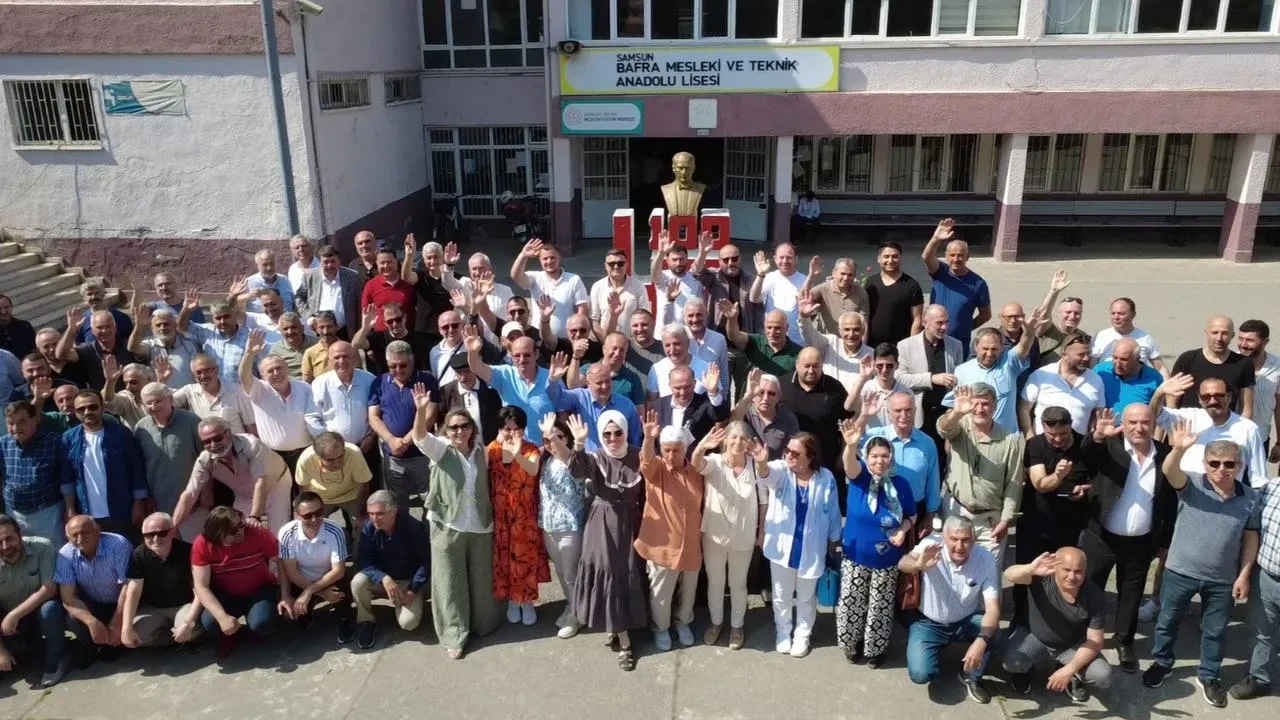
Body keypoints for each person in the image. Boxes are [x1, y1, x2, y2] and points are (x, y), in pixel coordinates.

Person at [1143, 424, 1261, 709]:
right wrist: (1179, 448)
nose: (1222, 469)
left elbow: (1250, 538)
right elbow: (1169, 471)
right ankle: (1162, 662)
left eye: (1229, 464)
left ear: (1240, 465)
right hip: (1180, 572)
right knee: (1167, 622)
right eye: (1214, 463)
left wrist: (1243, 575)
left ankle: (1209, 675)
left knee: (1215, 631)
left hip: (1222, 579)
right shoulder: (1192, 485)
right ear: (1205, 464)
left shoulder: (1250, 498)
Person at [1079, 404, 1174, 674]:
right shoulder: (1109, 445)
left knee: (1131, 595)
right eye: (1132, 422)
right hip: (1102, 536)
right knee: (1090, 589)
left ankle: (1124, 642)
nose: (1138, 428)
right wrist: (1097, 436)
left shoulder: (1165, 454)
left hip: (1141, 541)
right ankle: (1082, 637)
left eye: (1145, 422)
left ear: (1153, 424)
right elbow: (1086, 455)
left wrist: (1165, 541)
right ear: (1124, 423)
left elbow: (1169, 502)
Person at [411, 386, 502, 659]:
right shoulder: (441, 449)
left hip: (480, 525)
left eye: (464, 426)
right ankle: (455, 635)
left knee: (481, 579)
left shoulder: (482, 451)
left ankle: (483, 625)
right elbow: (419, 437)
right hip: (447, 525)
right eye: (453, 427)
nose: (459, 431)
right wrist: (420, 411)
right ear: (446, 430)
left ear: (472, 428)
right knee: (450, 583)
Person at [570, 409, 648, 670]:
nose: (613, 438)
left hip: (631, 522)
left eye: (618, 433)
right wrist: (578, 443)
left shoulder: (638, 454)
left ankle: (618, 626)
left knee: (628, 573)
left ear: (626, 432)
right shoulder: (596, 457)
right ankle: (624, 643)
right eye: (607, 434)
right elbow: (577, 471)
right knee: (609, 574)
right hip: (602, 524)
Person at [837, 421, 916, 668]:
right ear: (867, 457)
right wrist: (851, 445)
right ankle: (852, 643)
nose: (879, 461)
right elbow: (849, 465)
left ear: (891, 457)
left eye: (884, 456)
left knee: (880, 605)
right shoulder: (859, 476)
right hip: (856, 554)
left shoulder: (901, 484)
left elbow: (911, 515)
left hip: (887, 556)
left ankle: (875, 649)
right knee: (852, 601)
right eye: (874, 456)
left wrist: (903, 530)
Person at [899, 515, 1000, 704]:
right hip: (928, 622)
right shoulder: (931, 546)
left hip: (965, 620)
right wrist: (918, 565)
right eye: (954, 539)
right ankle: (932, 652)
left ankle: (971, 675)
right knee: (920, 674)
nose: (959, 546)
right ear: (944, 538)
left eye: (965, 540)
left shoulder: (985, 559)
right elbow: (902, 563)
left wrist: (981, 641)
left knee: (992, 633)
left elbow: (993, 610)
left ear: (974, 540)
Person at [758, 431, 842, 658]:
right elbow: (765, 475)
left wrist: (834, 538)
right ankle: (783, 632)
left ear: (810, 456)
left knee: (806, 597)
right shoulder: (781, 470)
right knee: (781, 595)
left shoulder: (825, 477)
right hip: (782, 547)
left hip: (812, 548)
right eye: (787, 451)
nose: (789, 456)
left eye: (796, 453)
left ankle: (802, 635)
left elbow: (833, 510)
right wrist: (761, 463)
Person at [690, 423, 768, 650]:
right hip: (714, 535)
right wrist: (702, 446)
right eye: (733, 437)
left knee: (738, 583)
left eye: (743, 438)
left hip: (744, 534)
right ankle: (716, 623)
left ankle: (737, 626)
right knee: (715, 582)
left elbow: (764, 502)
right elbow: (696, 464)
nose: (738, 442)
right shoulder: (714, 462)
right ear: (725, 440)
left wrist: (761, 531)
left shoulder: (755, 465)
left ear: (749, 442)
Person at [1014, 406, 1092, 626]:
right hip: (1036, 523)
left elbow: (1096, 480)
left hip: (1070, 525)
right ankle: (1021, 621)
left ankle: (1063, 623)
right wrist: (1058, 476)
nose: (1057, 439)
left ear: (1071, 426)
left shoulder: (1085, 445)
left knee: (1065, 576)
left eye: (1063, 434)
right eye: (1052, 435)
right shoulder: (1036, 445)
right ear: (1042, 428)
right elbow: (1040, 484)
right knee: (1028, 573)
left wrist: (1085, 490)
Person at [1002, 549, 1112, 700]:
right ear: (1055, 567)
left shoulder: (1094, 595)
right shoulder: (1042, 578)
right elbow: (1009, 574)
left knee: (1102, 676)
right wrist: (1029, 569)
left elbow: (1095, 641)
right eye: (1066, 570)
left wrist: (1070, 669)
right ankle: (1024, 671)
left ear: (1085, 571)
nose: (1072, 577)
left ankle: (1071, 673)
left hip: (1071, 645)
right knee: (1011, 662)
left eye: (1078, 571)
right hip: (1035, 636)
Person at [634, 411, 703, 651]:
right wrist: (648, 439)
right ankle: (661, 628)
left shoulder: (695, 471)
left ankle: (683, 622)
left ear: (685, 450)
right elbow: (645, 460)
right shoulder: (656, 470)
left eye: (676, 450)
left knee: (689, 591)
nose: (671, 455)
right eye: (667, 450)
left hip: (691, 543)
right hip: (662, 545)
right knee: (661, 593)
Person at [937, 384, 1025, 567]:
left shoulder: (1009, 440)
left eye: (985, 404)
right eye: (975, 404)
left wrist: (1006, 519)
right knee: (954, 570)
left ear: (995, 406)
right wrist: (957, 412)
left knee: (989, 573)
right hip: (957, 511)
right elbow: (943, 428)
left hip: (990, 521)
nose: (980, 409)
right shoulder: (960, 426)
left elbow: (1014, 482)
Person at [172, 418, 291, 538]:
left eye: (217, 438)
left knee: (280, 535)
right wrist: (172, 529)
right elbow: (190, 494)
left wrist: (254, 517)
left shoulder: (251, 445)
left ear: (228, 433)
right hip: (244, 496)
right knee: (236, 535)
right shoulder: (204, 460)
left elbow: (261, 482)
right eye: (207, 441)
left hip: (276, 487)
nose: (213, 445)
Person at [485, 406, 548, 626]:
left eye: (516, 428)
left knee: (525, 558)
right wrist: (497, 443)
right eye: (507, 428)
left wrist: (517, 453)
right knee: (504, 559)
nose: (512, 433)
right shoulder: (493, 449)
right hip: (501, 515)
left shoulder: (531, 449)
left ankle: (527, 601)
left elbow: (532, 469)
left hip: (524, 516)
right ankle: (512, 600)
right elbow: (479, 465)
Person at [192, 506, 281, 656]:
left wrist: (285, 594)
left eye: (241, 524)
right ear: (218, 533)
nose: (240, 531)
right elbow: (201, 586)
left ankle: (249, 630)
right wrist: (222, 617)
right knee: (210, 622)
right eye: (233, 530)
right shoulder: (202, 544)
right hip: (227, 594)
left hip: (260, 590)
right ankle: (230, 633)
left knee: (262, 624)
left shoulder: (257, 533)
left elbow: (281, 560)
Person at [60, 390, 148, 542]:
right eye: (81, 409)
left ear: (102, 407)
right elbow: (67, 479)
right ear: (75, 411)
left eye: (92, 407)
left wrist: (138, 503)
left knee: (127, 551)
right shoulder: (68, 439)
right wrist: (70, 510)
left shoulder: (122, 434)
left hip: (122, 512)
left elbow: (136, 470)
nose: (87, 412)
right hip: (87, 515)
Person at [1152, 375, 1267, 486]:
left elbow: (1258, 477)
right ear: (1199, 399)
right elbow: (1154, 415)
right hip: (1186, 492)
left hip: (1227, 495)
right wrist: (1159, 393)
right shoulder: (1188, 418)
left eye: (1219, 395)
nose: (1212, 401)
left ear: (1229, 397)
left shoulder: (1248, 428)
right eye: (1206, 397)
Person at [352, 490, 430, 650]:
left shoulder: (414, 528)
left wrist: (413, 590)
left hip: (406, 582)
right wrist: (383, 578)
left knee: (408, 624)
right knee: (358, 582)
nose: (374, 518)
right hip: (382, 580)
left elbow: (426, 562)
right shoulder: (368, 527)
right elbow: (363, 560)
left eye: (380, 514)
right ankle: (366, 621)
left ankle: (415, 598)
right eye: (371, 514)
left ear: (393, 511)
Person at [535, 413, 589, 639]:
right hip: (549, 528)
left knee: (571, 575)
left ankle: (578, 616)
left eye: (557, 437)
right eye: (547, 440)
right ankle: (571, 605)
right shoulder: (546, 462)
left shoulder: (574, 461)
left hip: (570, 528)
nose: (551, 443)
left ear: (566, 438)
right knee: (561, 572)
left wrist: (551, 434)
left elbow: (569, 458)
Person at [368, 340, 438, 509]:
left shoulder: (426, 380)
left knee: (431, 502)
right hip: (393, 457)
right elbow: (374, 417)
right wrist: (391, 440)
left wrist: (405, 442)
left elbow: (430, 416)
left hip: (422, 455)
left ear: (412, 361)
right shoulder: (379, 382)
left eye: (403, 365)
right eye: (393, 366)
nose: (398, 370)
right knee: (397, 505)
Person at [0, 514, 67, 687]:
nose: (5, 547)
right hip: (7, 621)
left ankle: (56, 660)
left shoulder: (42, 546)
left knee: (50, 609)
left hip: (37, 612)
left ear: (20, 534)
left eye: (9, 539)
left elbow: (49, 588)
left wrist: (14, 615)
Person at [1229, 474, 1280, 701]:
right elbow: (1253, 530)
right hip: (1266, 575)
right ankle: (1259, 679)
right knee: (1263, 633)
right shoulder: (1272, 487)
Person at [277, 492, 353, 643]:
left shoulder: (335, 530)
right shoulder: (286, 533)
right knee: (288, 614)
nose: (314, 519)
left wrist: (310, 591)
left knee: (339, 594)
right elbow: (291, 572)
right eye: (308, 516)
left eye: (319, 513)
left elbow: (338, 570)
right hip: (301, 580)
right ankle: (306, 613)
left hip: (329, 578)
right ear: (297, 516)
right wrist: (321, 593)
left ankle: (344, 619)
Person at [945, 317, 1044, 432]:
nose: (989, 354)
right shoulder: (961, 370)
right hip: (972, 437)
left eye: (994, 349)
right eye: (985, 349)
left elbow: (1024, 346)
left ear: (1002, 348)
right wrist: (949, 436)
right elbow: (953, 406)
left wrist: (1029, 333)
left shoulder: (1010, 363)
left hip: (1006, 438)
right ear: (976, 347)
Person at [56, 516, 131, 665]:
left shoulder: (118, 545)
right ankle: (92, 645)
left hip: (124, 603)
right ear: (67, 537)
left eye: (85, 532)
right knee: (72, 618)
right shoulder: (65, 554)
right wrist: (92, 622)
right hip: (95, 604)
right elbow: (68, 598)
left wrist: (115, 623)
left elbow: (128, 587)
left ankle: (114, 643)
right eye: (74, 535)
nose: (80, 539)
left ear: (98, 531)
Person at [864, 391, 942, 534]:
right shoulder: (875, 436)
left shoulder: (927, 443)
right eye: (898, 410)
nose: (904, 415)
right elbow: (852, 439)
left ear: (915, 410)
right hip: (881, 509)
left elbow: (933, 481)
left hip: (915, 512)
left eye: (908, 410)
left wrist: (930, 514)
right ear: (889, 413)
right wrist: (864, 415)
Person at [119, 512, 201, 648]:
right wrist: (126, 628)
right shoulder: (139, 555)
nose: (156, 539)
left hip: (184, 604)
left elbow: (200, 590)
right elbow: (133, 592)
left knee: (190, 629)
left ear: (172, 532)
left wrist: (188, 623)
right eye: (149, 535)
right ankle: (174, 639)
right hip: (154, 607)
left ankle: (186, 635)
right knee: (136, 635)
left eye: (162, 533)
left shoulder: (188, 551)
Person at [462, 326, 553, 444]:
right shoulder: (505, 374)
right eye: (517, 355)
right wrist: (473, 352)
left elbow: (563, 413)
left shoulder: (551, 377)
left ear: (536, 354)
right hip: (512, 448)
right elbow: (477, 368)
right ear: (510, 355)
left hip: (545, 448)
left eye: (527, 355)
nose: (521, 360)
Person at [694, 242, 761, 400]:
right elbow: (696, 271)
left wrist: (761, 275)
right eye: (726, 260)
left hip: (745, 346)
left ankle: (740, 416)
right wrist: (702, 252)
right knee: (721, 390)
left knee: (745, 393)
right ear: (719, 262)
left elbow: (756, 299)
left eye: (734, 258)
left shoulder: (750, 279)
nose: (731, 263)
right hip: (721, 346)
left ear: (740, 258)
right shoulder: (714, 277)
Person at [781, 347, 856, 486]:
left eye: (816, 366)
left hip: (826, 463)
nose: (811, 371)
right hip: (790, 462)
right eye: (807, 366)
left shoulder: (835, 388)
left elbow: (848, 421)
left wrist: (843, 455)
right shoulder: (782, 385)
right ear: (797, 364)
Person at [308, 341, 380, 486]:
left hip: (366, 448)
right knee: (340, 490)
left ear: (354, 358)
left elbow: (379, 411)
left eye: (346, 356)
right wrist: (329, 444)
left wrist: (372, 436)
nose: (341, 361)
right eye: (337, 357)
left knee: (370, 488)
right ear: (329, 360)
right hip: (333, 455)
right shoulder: (319, 383)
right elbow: (311, 417)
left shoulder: (369, 379)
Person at [896, 304, 962, 452]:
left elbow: (959, 379)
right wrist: (931, 379)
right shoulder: (905, 346)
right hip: (919, 414)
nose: (944, 327)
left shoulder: (956, 345)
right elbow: (899, 378)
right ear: (925, 323)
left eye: (946, 322)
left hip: (946, 415)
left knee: (945, 457)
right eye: (939, 323)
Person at [132, 382, 203, 517]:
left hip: (193, 502)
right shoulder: (141, 429)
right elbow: (139, 466)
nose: (153, 407)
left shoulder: (191, 422)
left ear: (171, 399)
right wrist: (146, 498)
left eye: (158, 401)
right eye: (148, 403)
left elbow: (206, 458)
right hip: (158, 503)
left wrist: (206, 494)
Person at [547, 352, 643, 451]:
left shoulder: (627, 405)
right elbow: (558, 399)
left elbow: (635, 440)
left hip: (618, 459)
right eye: (599, 383)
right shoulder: (579, 397)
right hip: (589, 458)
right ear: (588, 383)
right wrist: (553, 380)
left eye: (607, 381)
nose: (604, 386)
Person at [1, 401, 67, 544]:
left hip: (48, 515)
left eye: (21, 422)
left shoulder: (54, 441)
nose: (16, 428)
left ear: (35, 420)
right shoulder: (3, 444)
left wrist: (70, 510)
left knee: (54, 554)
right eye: (11, 423)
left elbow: (67, 480)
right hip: (14, 516)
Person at [921, 218, 990, 352]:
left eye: (960, 255)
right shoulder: (940, 272)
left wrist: (965, 327)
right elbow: (927, 257)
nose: (956, 259)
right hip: (932, 339)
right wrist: (936, 238)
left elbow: (985, 315)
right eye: (952, 255)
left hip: (959, 343)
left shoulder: (978, 283)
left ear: (967, 257)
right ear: (946, 256)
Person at [1019, 334, 1106, 437]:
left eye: (1088, 353)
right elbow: (1023, 408)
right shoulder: (1041, 375)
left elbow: (1098, 414)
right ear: (1064, 355)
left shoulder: (1096, 380)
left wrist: (1092, 436)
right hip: (1043, 443)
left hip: (1078, 444)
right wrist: (1030, 437)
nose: (1086, 358)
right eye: (1081, 355)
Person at [1171, 316, 1256, 416]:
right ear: (1206, 333)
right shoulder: (1188, 359)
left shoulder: (1243, 363)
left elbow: (1246, 409)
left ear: (1232, 336)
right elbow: (1171, 400)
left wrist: (1244, 425)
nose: (1219, 338)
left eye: (1225, 333)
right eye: (1215, 333)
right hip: (1188, 423)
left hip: (1224, 424)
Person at [510, 239, 588, 338]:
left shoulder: (574, 279)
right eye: (545, 258)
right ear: (540, 260)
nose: (549, 261)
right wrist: (523, 255)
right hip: (539, 339)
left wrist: (578, 336)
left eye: (552, 258)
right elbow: (515, 276)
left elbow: (582, 311)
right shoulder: (535, 278)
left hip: (566, 340)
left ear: (559, 258)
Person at [294, 432, 372, 525]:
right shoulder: (306, 459)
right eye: (330, 460)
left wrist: (362, 514)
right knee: (312, 524)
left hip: (352, 495)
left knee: (364, 525)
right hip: (320, 498)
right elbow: (304, 488)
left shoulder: (354, 453)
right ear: (318, 457)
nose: (337, 463)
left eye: (340, 456)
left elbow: (363, 485)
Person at [56, 307, 141, 391]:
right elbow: (62, 355)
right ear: (92, 330)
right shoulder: (86, 350)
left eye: (108, 326)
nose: (104, 330)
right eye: (99, 327)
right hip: (100, 397)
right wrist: (71, 330)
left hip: (129, 396)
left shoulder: (128, 346)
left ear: (115, 328)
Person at [797, 294, 872, 388]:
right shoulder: (829, 343)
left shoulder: (871, 355)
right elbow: (810, 336)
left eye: (856, 330)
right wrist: (804, 318)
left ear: (863, 331)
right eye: (847, 329)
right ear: (839, 330)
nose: (851, 334)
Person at [180, 296, 255, 388]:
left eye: (226, 316)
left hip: (241, 393)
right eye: (218, 318)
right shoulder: (207, 332)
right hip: (213, 391)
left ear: (235, 315)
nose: (222, 321)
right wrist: (186, 310)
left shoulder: (250, 336)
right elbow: (182, 328)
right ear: (213, 318)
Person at [173, 353, 256, 434]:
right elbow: (167, 402)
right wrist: (165, 378)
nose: (203, 376)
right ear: (193, 375)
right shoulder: (189, 391)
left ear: (216, 370)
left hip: (235, 442)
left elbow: (251, 425)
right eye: (198, 372)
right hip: (206, 443)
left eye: (207, 370)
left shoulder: (237, 391)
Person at [401, 238, 462, 344]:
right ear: (424, 261)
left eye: (436, 257)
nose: (432, 261)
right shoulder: (420, 277)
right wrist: (409, 255)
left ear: (443, 258)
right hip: (424, 332)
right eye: (429, 258)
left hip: (448, 331)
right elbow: (406, 277)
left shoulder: (455, 279)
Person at [865, 240, 924, 348]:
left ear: (900, 258)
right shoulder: (870, 283)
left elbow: (917, 319)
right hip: (872, 347)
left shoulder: (911, 285)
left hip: (900, 347)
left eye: (895, 256)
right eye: (886, 256)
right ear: (879, 259)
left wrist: (912, 346)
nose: (890, 260)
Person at [295, 245, 361, 340]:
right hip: (320, 331)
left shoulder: (352, 276)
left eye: (333, 261)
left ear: (339, 261)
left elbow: (359, 303)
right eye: (326, 262)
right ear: (320, 263)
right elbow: (299, 297)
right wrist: (309, 317)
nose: (329, 265)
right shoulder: (309, 276)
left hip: (345, 331)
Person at [1090, 298, 1168, 378]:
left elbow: (1160, 368)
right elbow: (1091, 367)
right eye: (1113, 313)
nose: (1116, 317)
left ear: (1133, 315)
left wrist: (1168, 383)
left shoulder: (1145, 338)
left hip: (1137, 383)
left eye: (1121, 314)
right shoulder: (1101, 336)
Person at [127, 306, 201, 390]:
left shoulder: (189, 345)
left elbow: (197, 370)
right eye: (158, 325)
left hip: (185, 394)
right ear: (152, 328)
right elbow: (132, 348)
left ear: (175, 325)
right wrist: (138, 325)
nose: (162, 328)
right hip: (160, 394)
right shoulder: (150, 345)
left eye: (166, 324)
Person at [653, 365, 728, 448]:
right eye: (678, 388)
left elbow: (720, 415)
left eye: (687, 387)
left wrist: (713, 393)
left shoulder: (704, 403)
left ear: (694, 383)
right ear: (670, 386)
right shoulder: (658, 405)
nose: (682, 392)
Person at [648, 230, 709, 330]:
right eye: (674, 260)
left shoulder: (695, 278)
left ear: (686, 259)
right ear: (667, 260)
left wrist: (702, 253)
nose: (678, 263)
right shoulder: (663, 277)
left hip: (691, 333)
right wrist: (661, 253)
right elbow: (654, 271)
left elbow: (697, 267)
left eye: (681, 259)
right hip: (665, 333)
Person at [1236, 319, 1280, 458]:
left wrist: (1279, 443)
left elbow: (1279, 408)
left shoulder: (1277, 367)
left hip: (1260, 438)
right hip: (1230, 439)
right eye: (1241, 339)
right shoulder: (1230, 363)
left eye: (1250, 340)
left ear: (1265, 341)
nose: (1243, 345)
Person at [438, 351, 502, 446]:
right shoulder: (446, 391)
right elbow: (441, 420)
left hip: (488, 445)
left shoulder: (490, 389)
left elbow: (500, 415)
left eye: (467, 371)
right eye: (459, 373)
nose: (463, 377)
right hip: (460, 447)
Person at [749, 243, 807, 346]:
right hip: (772, 339)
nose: (785, 261)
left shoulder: (805, 281)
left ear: (796, 259)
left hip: (797, 341)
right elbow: (754, 298)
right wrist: (760, 275)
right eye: (781, 257)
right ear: (775, 259)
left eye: (789, 257)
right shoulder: (768, 277)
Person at [572, 333, 647, 410]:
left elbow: (639, 411)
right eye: (614, 348)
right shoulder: (589, 369)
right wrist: (575, 357)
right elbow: (573, 386)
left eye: (622, 350)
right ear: (604, 349)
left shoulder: (632, 379)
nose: (617, 353)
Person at [591, 249, 650, 342]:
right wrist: (605, 343)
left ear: (626, 265)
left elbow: (645, 316)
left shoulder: (638, 286)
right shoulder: (597, 287)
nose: (616, 266)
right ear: (605, 266)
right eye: (611, 264)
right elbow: (594, 320)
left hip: (632, 343)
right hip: (606, 342)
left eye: (620, 263)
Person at [1095, 338, 1163, 417]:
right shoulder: (1100, 371)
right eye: (1115, 358)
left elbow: (1159, 412)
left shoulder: (1154, 378)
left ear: (1137, 359)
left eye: (1124, 360)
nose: (1118, 364)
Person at [647, 324, 714, 400]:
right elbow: (652, 402)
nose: (672, 350)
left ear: (687, 343)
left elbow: (718, 400)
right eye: (667, 345)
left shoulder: (705, 368)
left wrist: (713, 392)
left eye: (677, 344)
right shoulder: (657, 369)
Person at [359, 247, 418, 333]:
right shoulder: (371, 285)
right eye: (382, 263)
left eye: (389, 262)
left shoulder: (408, 282)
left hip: (408, 334)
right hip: (381, 336)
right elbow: (366, 314)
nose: (386, 266)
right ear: (377, 264)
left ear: (396, 262)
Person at [71, 280, 134, 346]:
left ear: (103, 294)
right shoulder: (81, 321)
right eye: (89, 294)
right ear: (84, 298)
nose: (94, 297)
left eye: (97, 293)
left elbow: (131, 344)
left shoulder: (121, 317)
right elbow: (77, 345)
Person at [267, 312, 315, 379]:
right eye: (285, 329)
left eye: (293, 327)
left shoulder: (317, 343)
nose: (290, 332)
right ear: (280, 331)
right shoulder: (276, 351)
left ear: (302, 328)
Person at [246, 248, 296, 313]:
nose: (269, 268)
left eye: (271, 263)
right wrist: (248, 295)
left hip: (287, 318)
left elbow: (294, 302)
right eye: (265, 264)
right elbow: (237, 305)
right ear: (257, 265)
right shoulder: (249, 282)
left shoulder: (284, 280)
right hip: (261, 319)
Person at [624, 308, 664, 380]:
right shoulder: (624, 349)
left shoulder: (666, 348)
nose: (640, 329)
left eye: (644, 324)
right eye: (635, 325)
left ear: (653, 325)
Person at [0, 294, 36, 360]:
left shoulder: (24, 326)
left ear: (11, 307)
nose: (3, 311)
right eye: (0, 308)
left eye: (6, 307)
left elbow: (34, 349)